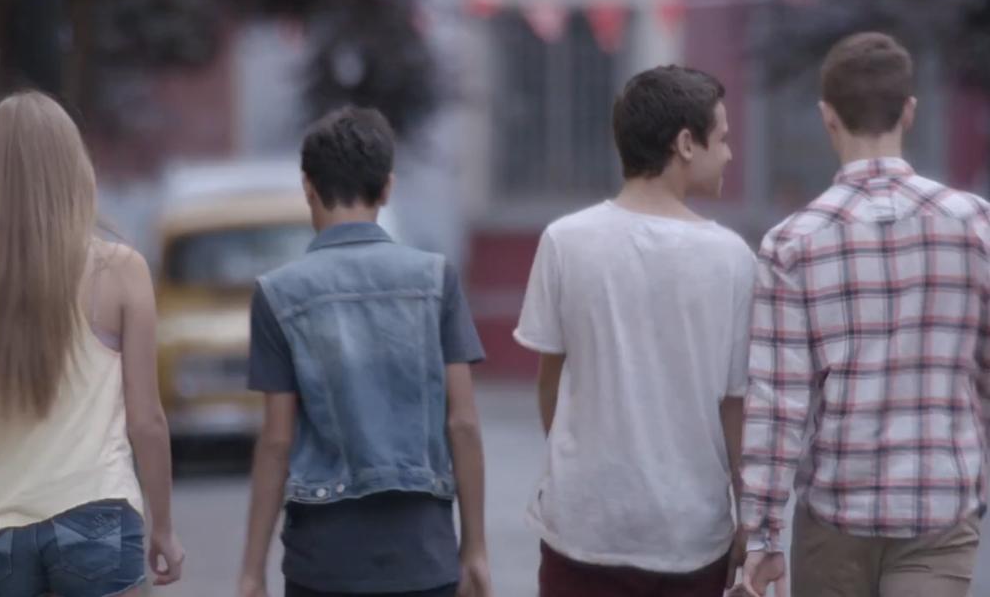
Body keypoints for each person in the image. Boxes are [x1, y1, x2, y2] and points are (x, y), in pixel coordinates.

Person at [739, 32, 989, 597]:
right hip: (940, 508)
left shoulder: (791, 243)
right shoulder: (976, 225)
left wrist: (762, 534)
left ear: (827, 116)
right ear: (909, 111)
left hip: (836, 515)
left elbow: (778, 403)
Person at [514, 65, 755, 597]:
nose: (730, 155)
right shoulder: (733, 259)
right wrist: (750, 522)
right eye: (722, 138)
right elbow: (734, 407)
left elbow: (549, 383)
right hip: (691, 534)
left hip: (582, 525)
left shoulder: (564, 241)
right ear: (686, 144)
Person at [0, 91, 184, 597]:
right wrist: (163, 527)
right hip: (97, 516)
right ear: (75, 170)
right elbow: (146, 421)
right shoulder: (121, 271)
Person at [237, 106, 491, 597]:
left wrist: (252, 569)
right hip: (423, 556)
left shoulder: (277, 294)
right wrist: (475, 547)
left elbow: (276, 442)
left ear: (308, 187)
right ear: (387, 187)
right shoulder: (436, 281)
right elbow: (462, 422)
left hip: (322, 563)